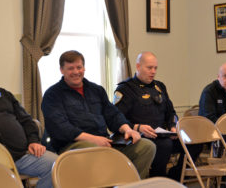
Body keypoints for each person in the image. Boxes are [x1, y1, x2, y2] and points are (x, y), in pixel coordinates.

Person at [41, 50, 156, 179]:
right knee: (92, 148)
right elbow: (60, 128)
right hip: (71, 146)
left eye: (79, 67)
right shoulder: (52, 95)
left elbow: (113, 114)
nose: (76, 72)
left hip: (104, 142)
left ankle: (129, 184)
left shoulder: (96, 90)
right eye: (70, 68)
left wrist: (127, 129)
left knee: (146, 147)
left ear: (84, 68)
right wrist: (93, 139)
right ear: (62, 70)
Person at [0, 58, 57, 188]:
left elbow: (26, 120)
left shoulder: (2, 94)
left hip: (21, 156)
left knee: (57, 165)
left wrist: (34, 141)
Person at [114, 52, 202, 181]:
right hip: (141, 136)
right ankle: (157, 180)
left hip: (163, 134)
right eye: (149, 68)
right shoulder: (126, 89)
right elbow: (117, 119)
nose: (153, 71)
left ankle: (173, 178)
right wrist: (137, 128)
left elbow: (171, 112)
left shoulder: (159, 86)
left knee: (195, 143)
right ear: (138, 67)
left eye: (155, 68)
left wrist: (172, 127)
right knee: (164, 145)